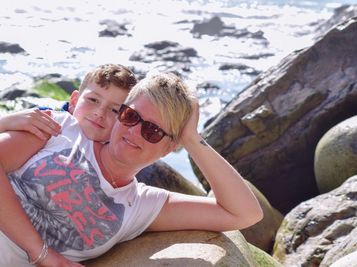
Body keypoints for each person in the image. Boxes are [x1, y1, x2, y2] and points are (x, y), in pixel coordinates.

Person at [0, 72, 263, 266]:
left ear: (170, 147)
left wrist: (193, 140)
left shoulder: (141, 206)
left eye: (152, 131)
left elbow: (244, 213)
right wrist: (43, 253)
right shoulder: (61, 129)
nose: (134, 131)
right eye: (130, 116)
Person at [0, 63, 137, 142]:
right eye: (93, 100)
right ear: (74, 101)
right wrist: (6, 122)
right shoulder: (46, 121)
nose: (99, 113)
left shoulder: (118, 151)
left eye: (114, 110)